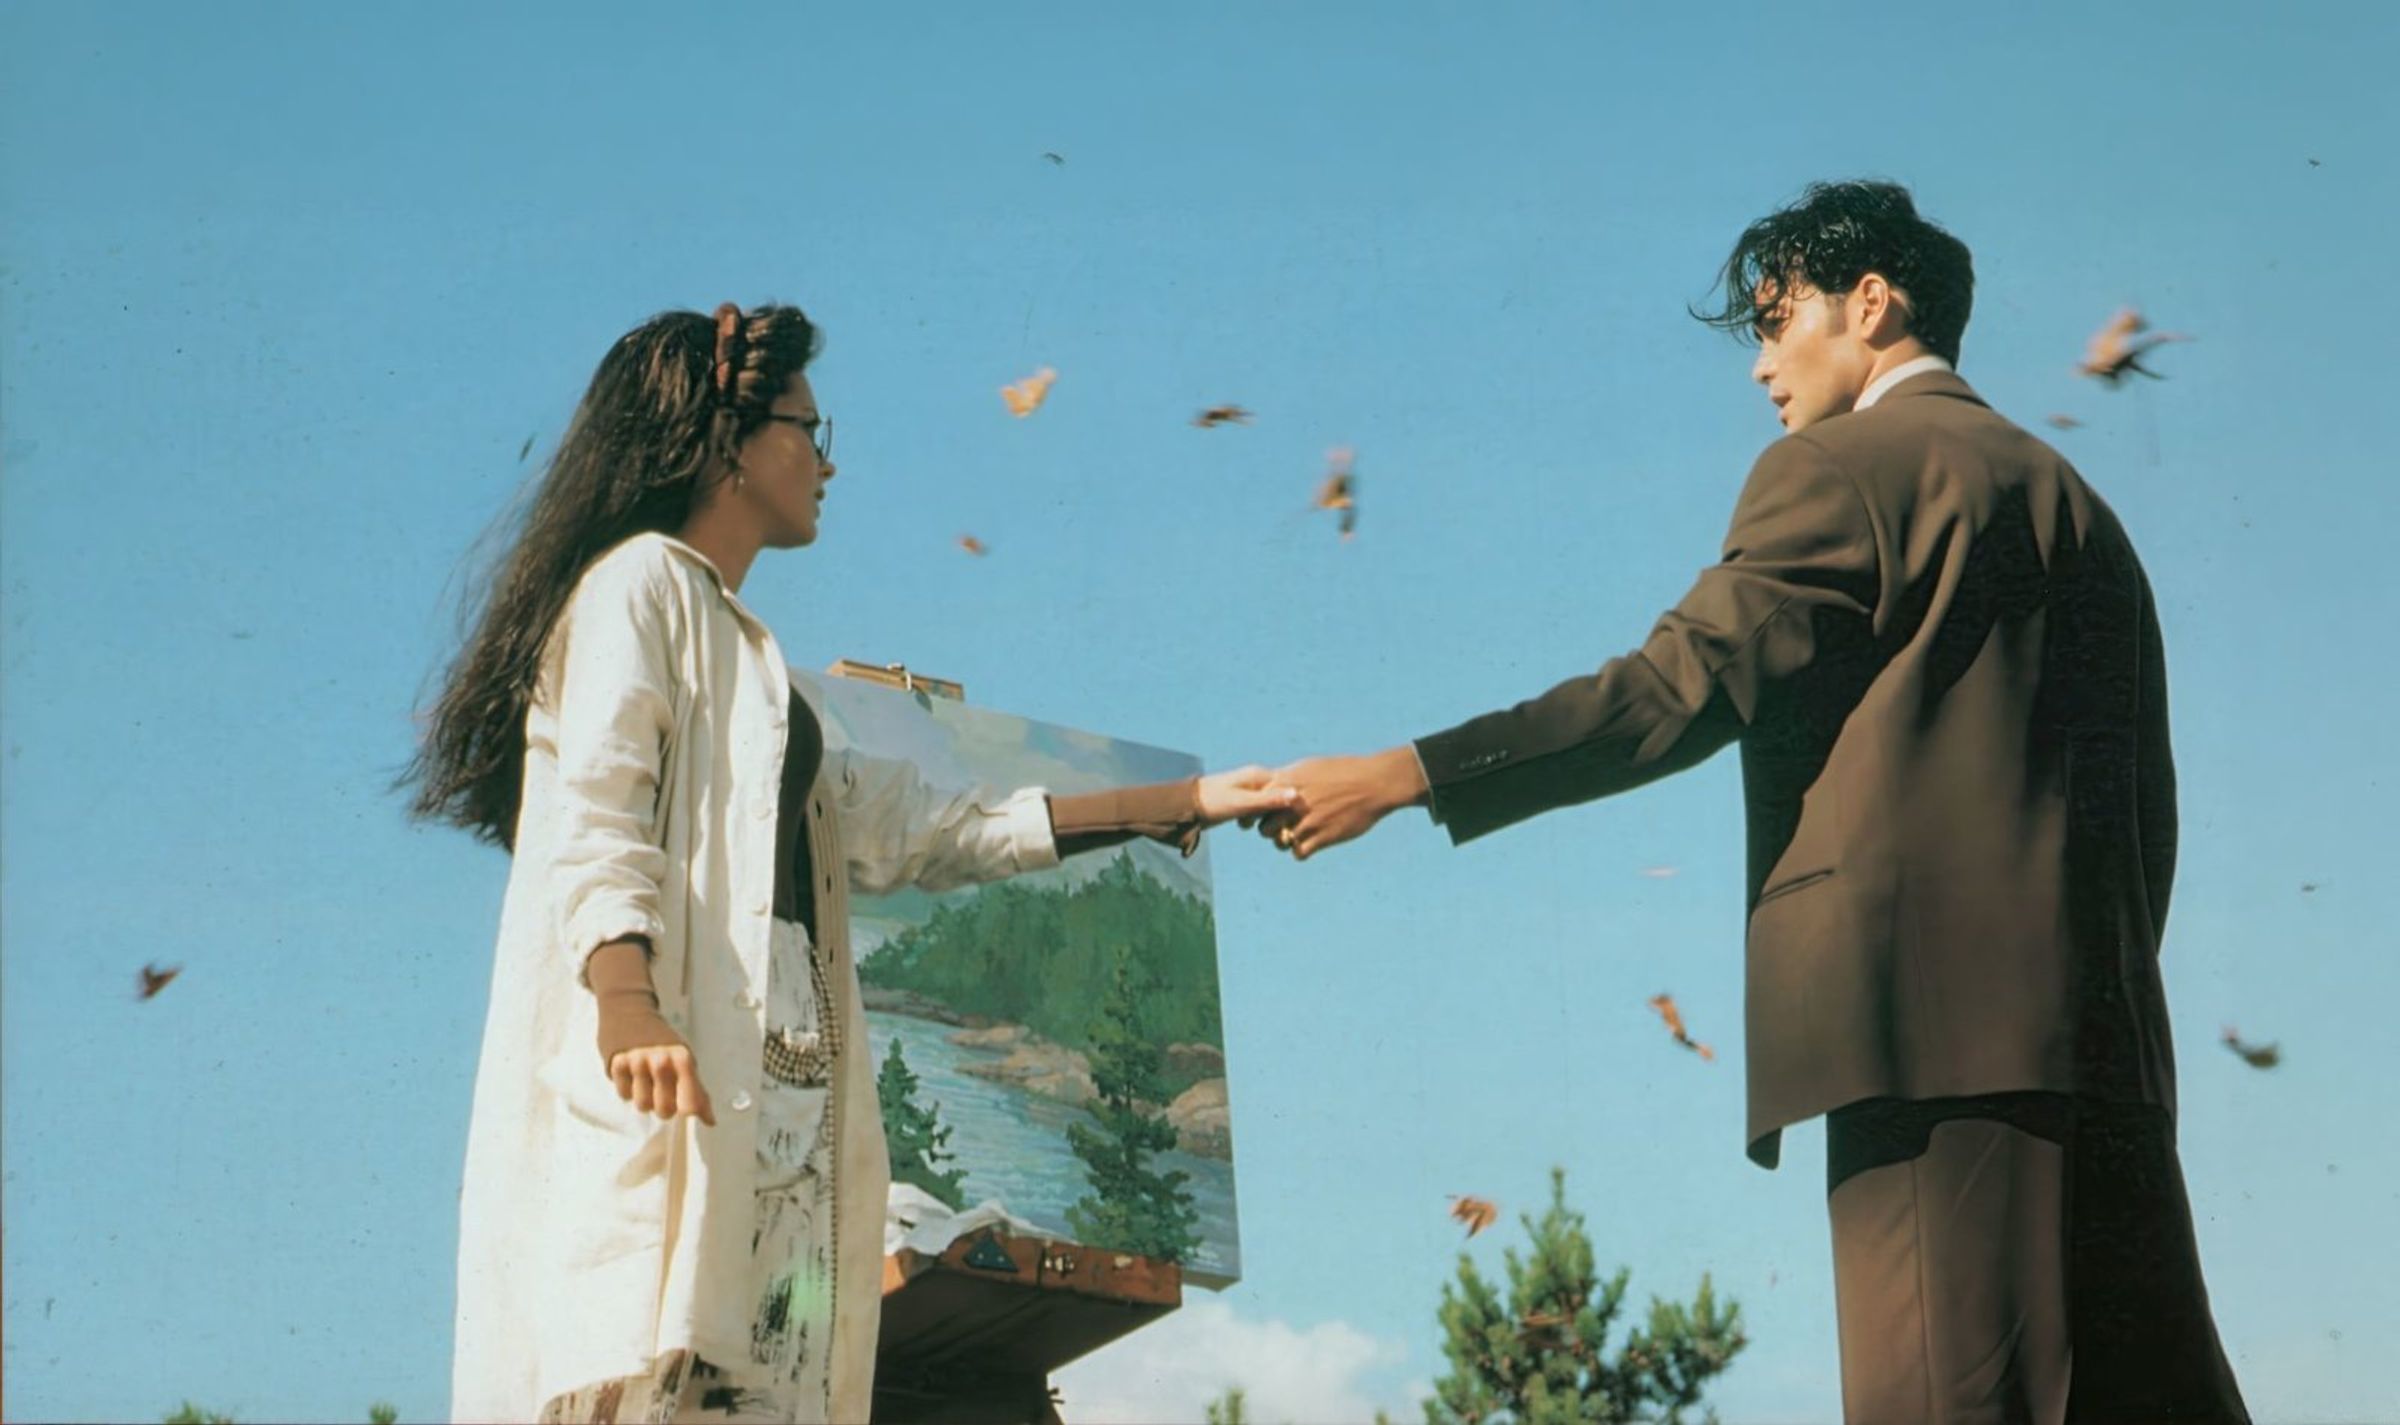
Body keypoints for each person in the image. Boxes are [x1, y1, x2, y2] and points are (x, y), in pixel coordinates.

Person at [1254, 181, 2251, 1423]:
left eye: (1776, 322)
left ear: (1871, 305)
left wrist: (1407, 774)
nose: (1760, 364)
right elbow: (2149, 814)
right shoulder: (2082, 510)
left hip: (1919, 1054)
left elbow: (1665, 694)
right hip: (2111, 1061)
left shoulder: (1836, 467)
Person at [403, 302, 1296, 1424]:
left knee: (766, 1382)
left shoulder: (763, 672)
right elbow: (598, 811)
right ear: (727, 442)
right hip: (683, 1068)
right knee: (656, 1363)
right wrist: (626, 998)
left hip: (782, 1093)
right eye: (807, 430)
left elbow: (937, 824)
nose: (826, 464)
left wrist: (1182, 802)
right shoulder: (640, 587)